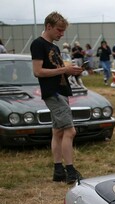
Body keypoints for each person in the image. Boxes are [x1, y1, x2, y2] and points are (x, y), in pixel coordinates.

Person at [30, 11, 84, 184]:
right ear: (48, 27)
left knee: (58, 132)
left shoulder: (55, 46)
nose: (61, 34)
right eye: (59, 30)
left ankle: (58, 171)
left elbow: (57, 72)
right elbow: (37, 71)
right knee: (70, 131)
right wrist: (64, 70)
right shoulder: (38, 44)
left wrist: (71, 71)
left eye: (63, 31)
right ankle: (70, 171)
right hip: (53, 93)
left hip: (60, 91)